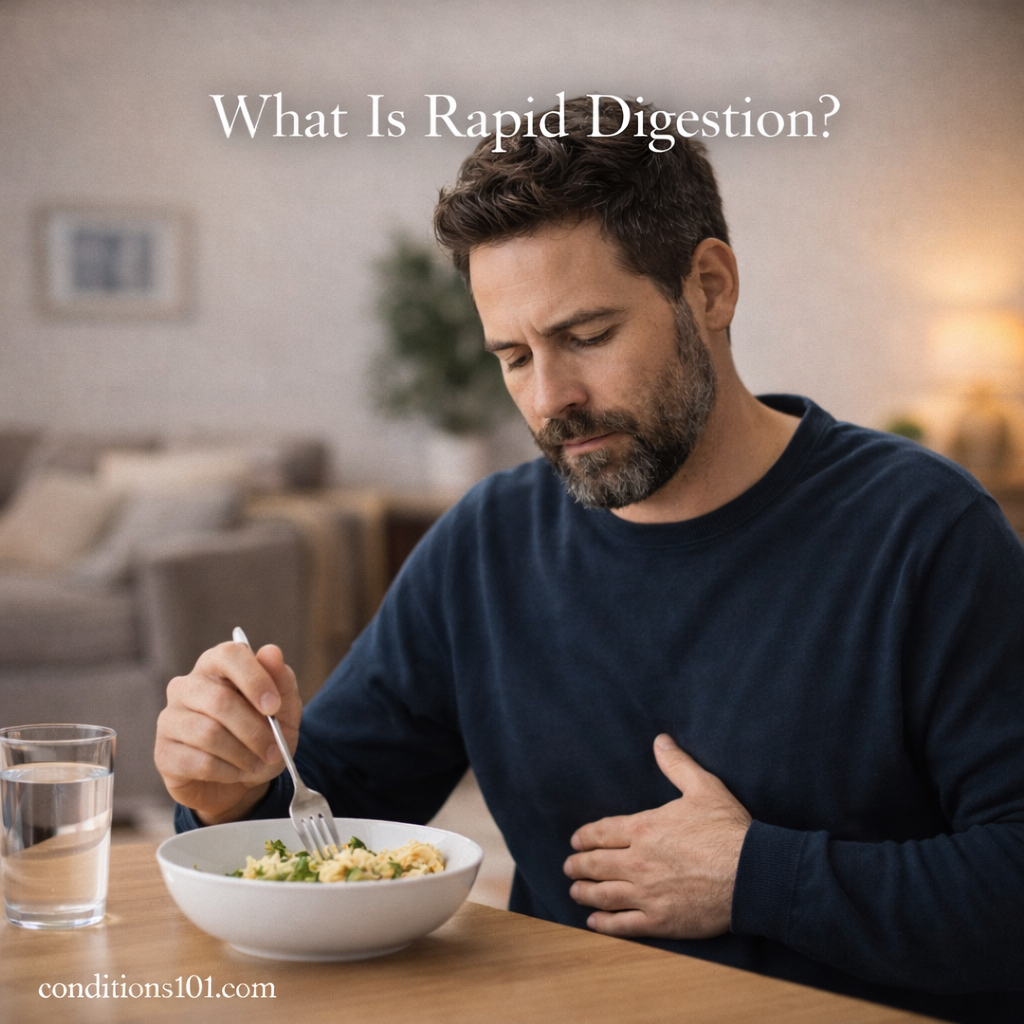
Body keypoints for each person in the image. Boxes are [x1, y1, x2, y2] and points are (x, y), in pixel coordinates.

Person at [155, 97, 1024, 1023]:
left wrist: (757, 878)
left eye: (586, 336)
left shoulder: (924, 530)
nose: (550, 398)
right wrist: (229, 788)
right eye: (513, 355)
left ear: (710, 287)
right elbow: (320, 825)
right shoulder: (486, 544)